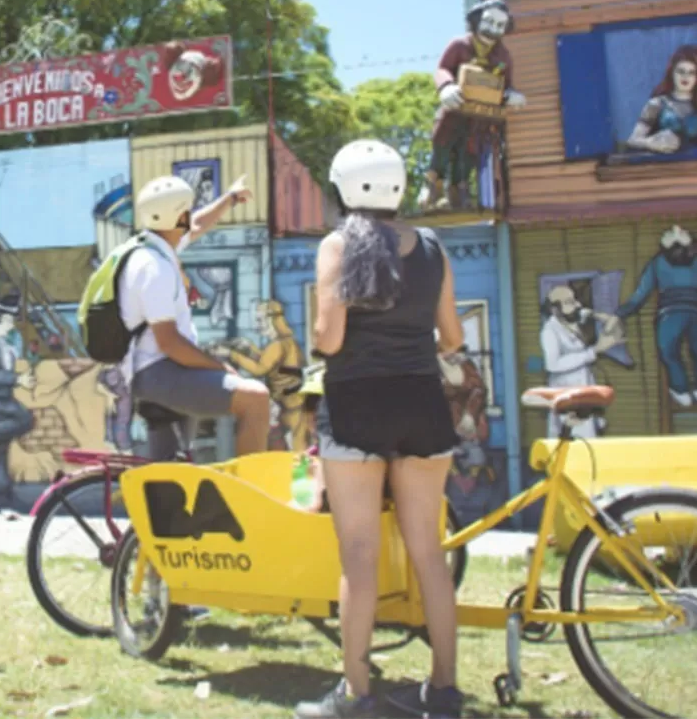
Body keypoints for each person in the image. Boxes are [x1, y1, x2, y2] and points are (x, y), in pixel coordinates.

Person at [295, 140, 465, 719]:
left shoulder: (338, 245)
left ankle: (357, 696)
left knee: (360, 557)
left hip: (357, 407)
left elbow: (330, 340)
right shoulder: (435, 249)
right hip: (422, 403)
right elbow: (453, 339)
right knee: (428, 552)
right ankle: (444, 690)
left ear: (343, 187)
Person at [119, 175, 271, 461]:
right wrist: (221, 368)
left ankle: (167, 502)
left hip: (156, 369)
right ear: (178, 218)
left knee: (170, 472)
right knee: (255, 399)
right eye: (186, 210)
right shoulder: (155, 269)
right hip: (158, 371)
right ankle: (248, 496)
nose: (190, 216)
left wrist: (230, 198)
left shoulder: (153, 246)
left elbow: (198, 224)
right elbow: (170, 343)